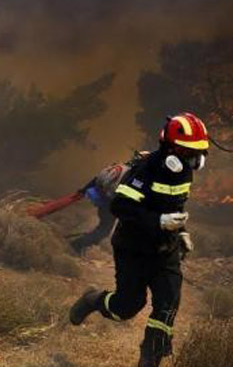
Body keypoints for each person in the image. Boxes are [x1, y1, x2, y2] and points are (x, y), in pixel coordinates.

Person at [69, 112, 208, 367]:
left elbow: (175, 205)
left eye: (199, 152)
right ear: (171, 147)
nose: (195, 159)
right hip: (133, 249)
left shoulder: (183, 173)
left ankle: (149, 359)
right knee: (126, 307)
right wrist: (158, 221)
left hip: (165, 251)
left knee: (167, 305)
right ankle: (93, 299)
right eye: (189, 151)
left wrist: (182, 232)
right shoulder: (149, 168)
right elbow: (121, 206)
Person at [69, 151, 149, 254]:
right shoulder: (131, 174)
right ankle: (77, 245)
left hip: (104, 201)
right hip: (111, 203)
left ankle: (80, 245)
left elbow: (96, 179)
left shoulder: (118, 166)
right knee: (104, 231)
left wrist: (83, 190)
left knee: (103, 228)